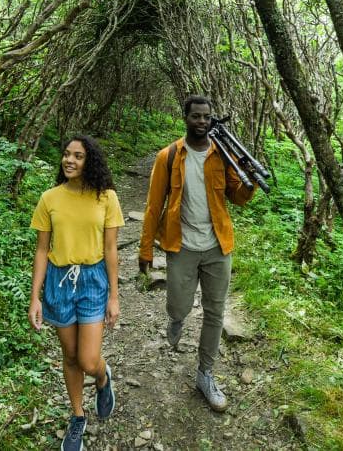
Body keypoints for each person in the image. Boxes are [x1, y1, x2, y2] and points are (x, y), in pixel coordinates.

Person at [138, 95, 255, 412]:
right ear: (185, 118)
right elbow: (153, 207)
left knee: (215, 313)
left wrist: (250, 180)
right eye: (196, 116)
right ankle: (175, 320)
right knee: (179, 304)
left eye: (206, 117)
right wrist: (145, 249)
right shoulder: (170, 156)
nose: (202, 121)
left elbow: (238, 196)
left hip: (218, 246)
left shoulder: (223, 155)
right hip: (182, 246)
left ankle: (205, 374)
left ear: (211, 119)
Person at [29, 134, 123, 451]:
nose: (70, 160)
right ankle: (77, 417)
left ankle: (102, 376)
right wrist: (35, 298)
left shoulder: (106, 197)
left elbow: (111, 249)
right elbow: (42, 251)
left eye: (78, 156)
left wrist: (114, 296)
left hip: (93, 280)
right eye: (67, 154)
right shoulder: (49, 198)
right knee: (69, 356)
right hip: (58, 281)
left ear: (89, 161)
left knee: (87, 358)